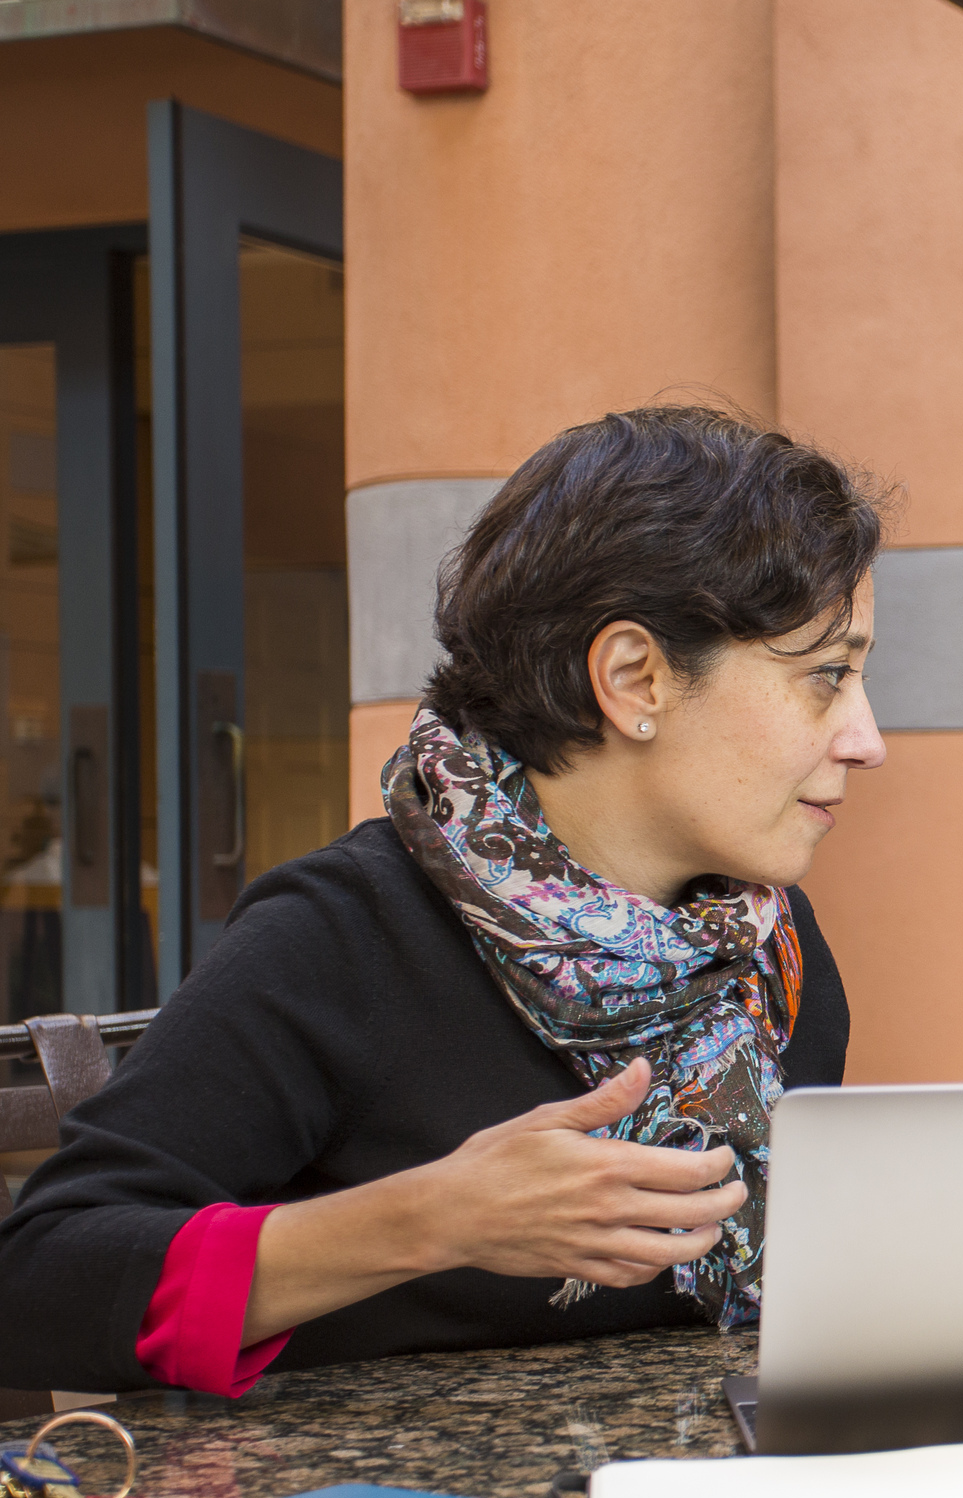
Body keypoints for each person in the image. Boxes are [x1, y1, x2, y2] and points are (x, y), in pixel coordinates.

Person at [0, 406, 885, 1395]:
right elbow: (38, 1283)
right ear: (635, 678)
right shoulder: (343, 936)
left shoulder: (770, 948)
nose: (865, 738)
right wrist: (428, 1221)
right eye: (826, 678)